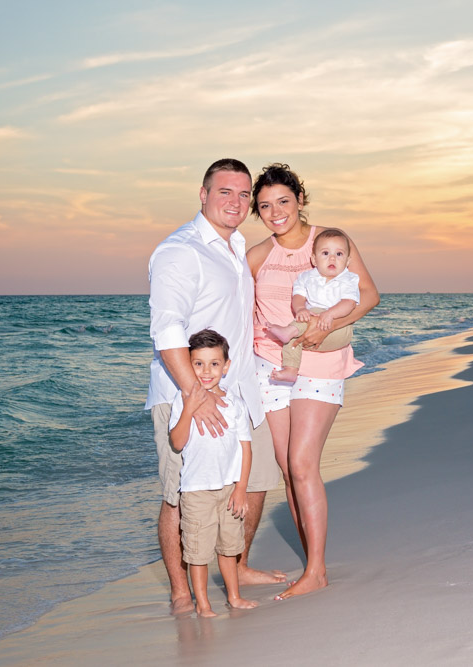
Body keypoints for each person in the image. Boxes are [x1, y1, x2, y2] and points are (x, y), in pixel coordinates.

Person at [147, 159, 285, 614]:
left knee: (255, 481)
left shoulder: (236, 247)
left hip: (242, 391)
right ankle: (181, 589)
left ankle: (237, 565)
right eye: (225, 191)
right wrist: (195, 394)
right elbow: (167, 331)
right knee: (182, 494)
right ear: (203, 194)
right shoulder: (179, 251)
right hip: (189, 395)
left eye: (244, 195)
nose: (236, 201)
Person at [246, 163, 380, 600]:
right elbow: (243, 313)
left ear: (300, 200)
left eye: (283, 201)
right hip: (270, 368)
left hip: (321, 366)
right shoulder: (258, 256)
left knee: (303, 465)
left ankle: (317, 570)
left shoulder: (331, 243)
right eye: (264, 206)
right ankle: (311, 560)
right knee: (289, 470)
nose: (275, 212)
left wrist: (325, 328)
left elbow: (369, 295)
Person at [169, 329, 260, 617]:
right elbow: (177, 441)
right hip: (197, 490)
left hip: (230, 489)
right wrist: (190, 409)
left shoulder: (236, 404)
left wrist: (242, 488)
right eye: (198, 364)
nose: (206, 371)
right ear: (188, 364)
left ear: (226, 366)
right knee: (197, 553)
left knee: (229, 548)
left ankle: (234, 596)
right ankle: (203, 604)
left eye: (214, 364)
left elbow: (246, 449)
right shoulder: (181, 400)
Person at [265, 228, 360, 383]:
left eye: (339, 254)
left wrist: (330, 314)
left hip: (339, 330)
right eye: (325, 253)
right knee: (292, 340)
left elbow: (349, 303)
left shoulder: (348, 279)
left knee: (308, 318)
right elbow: (298, 296)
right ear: (314, 260)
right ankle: (290, 369)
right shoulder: (307, 277)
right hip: (312, 324)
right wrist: (300, 308)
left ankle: (290, 330)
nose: (332, 258)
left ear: (347, 261)